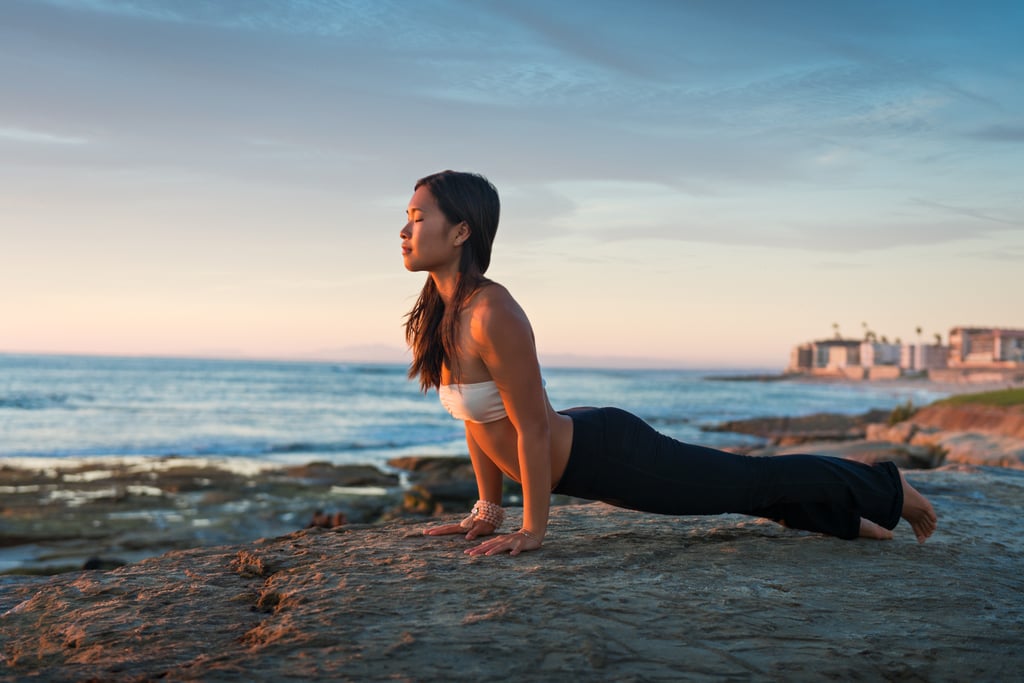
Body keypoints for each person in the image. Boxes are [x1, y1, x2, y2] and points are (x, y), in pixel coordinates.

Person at [401, 170, 937, 557]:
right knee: (734, 488)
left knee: (748, 481)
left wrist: (534, 530)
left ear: (462, 231)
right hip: (584, 451)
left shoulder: (492, 312)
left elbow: (532, 428)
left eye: (419, 217)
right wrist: (487, 510)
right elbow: (478, 420)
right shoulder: (444, 314)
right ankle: (849, 521)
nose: (405, 230)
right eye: (406, 218)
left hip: (609, 455)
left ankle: (888, 489)